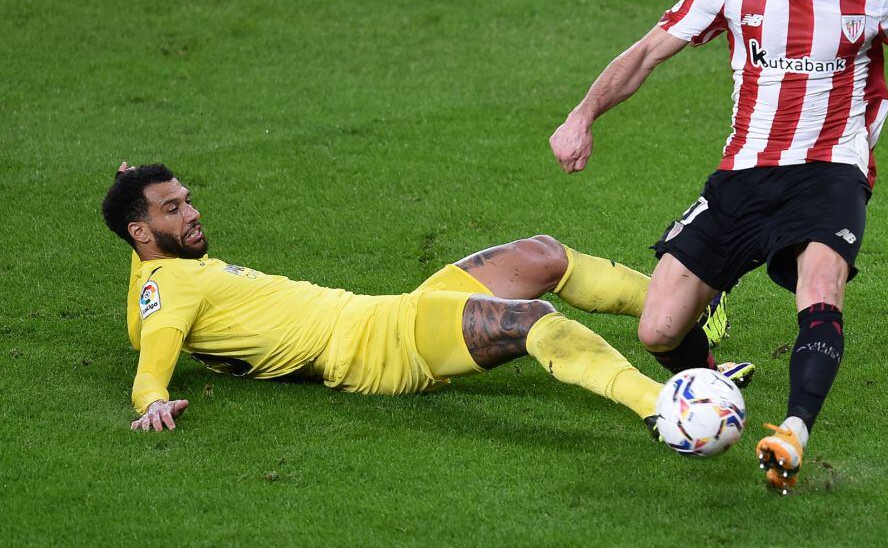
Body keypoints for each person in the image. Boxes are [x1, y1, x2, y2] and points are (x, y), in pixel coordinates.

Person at [550, 0, 888, 493]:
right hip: (744, 173)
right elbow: (646, 53)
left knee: (821, 282)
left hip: (830, 171)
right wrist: (582, 115)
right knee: (659, 328)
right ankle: (713, 380)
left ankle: (793, 432)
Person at [102, 162, 750, 438]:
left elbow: (143, 312)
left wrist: (132, 189)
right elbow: (153, 348)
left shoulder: (160, 273)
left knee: (544, 254)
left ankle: (697, 331)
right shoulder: (169, 287)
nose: (191, 212)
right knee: (535, 322)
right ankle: (666, 408)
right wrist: (152, 399)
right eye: (172, 208)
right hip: (377, 350)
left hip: (389, 311)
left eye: (186, 199)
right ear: (140, 231)